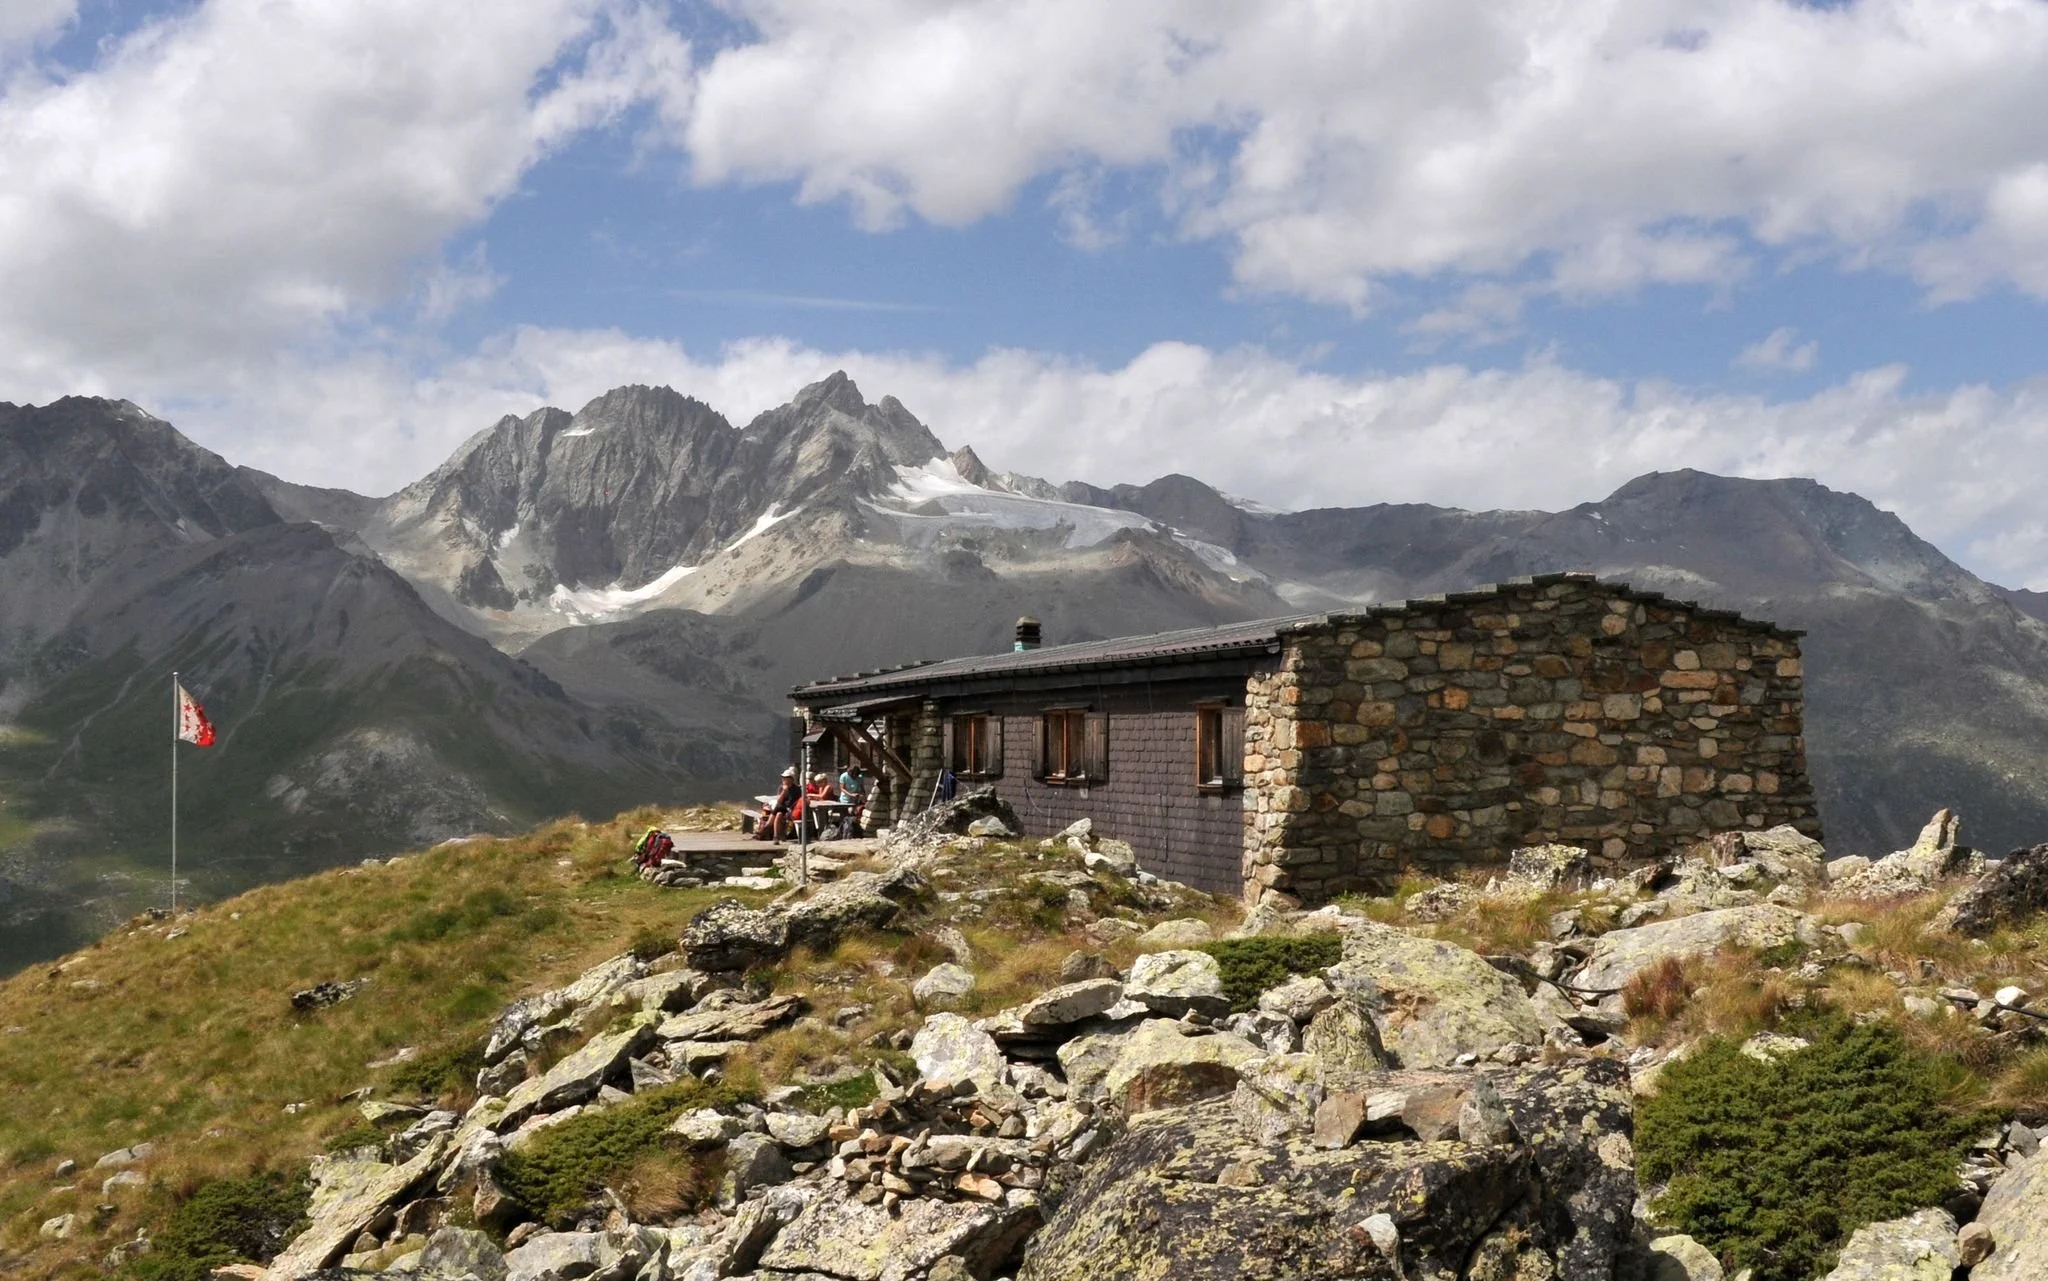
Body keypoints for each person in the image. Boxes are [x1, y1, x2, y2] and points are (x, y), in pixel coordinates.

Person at [759, 766, 800, 841]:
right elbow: (779, 801)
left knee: (778, 809)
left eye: (785, 778)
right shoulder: (781, 788)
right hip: (781, 809)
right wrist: (784, 792)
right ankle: (776, 837)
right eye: (783, 777)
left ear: (791, 779)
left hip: (790, 810)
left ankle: (767, 826)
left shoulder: (796, 789)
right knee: (778, 814)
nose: (783, 779)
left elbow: (794, 803)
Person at [837, 764, 868, 837]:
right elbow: (842, 788)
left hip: (855, 800)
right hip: (845, 799)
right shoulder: (844, 776)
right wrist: (851, 794)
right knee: (844, 816)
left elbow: (862, 788)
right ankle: (843, 832)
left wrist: (863, 796)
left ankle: (852, 833)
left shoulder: (859, 778)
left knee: (853, 815)